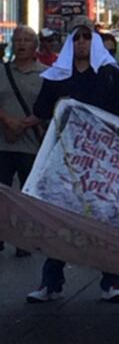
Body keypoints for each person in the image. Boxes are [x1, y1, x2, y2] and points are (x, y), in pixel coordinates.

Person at [25, 17, 119, 304]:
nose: (82, 42)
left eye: (86, 36)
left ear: (94, 40)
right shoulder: (59, 74)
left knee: (106, 218)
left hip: (103, 158)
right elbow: (42, 110)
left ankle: (111, 282)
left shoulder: (109, 73)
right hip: (66, 158)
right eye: (76, 37)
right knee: (61, 218)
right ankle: (51, 282)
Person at [0, 26, 44, 257]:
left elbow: (49, 108)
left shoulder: (45, 74)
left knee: (26, 196)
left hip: (31, 144)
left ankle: (23, 240)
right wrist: (8, 121)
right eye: (18, 39)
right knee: (2, 192)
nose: (22, 44)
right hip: (3, 143)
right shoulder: (2, 71)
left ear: (35, 45)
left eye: (27, 40)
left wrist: (22, 125)